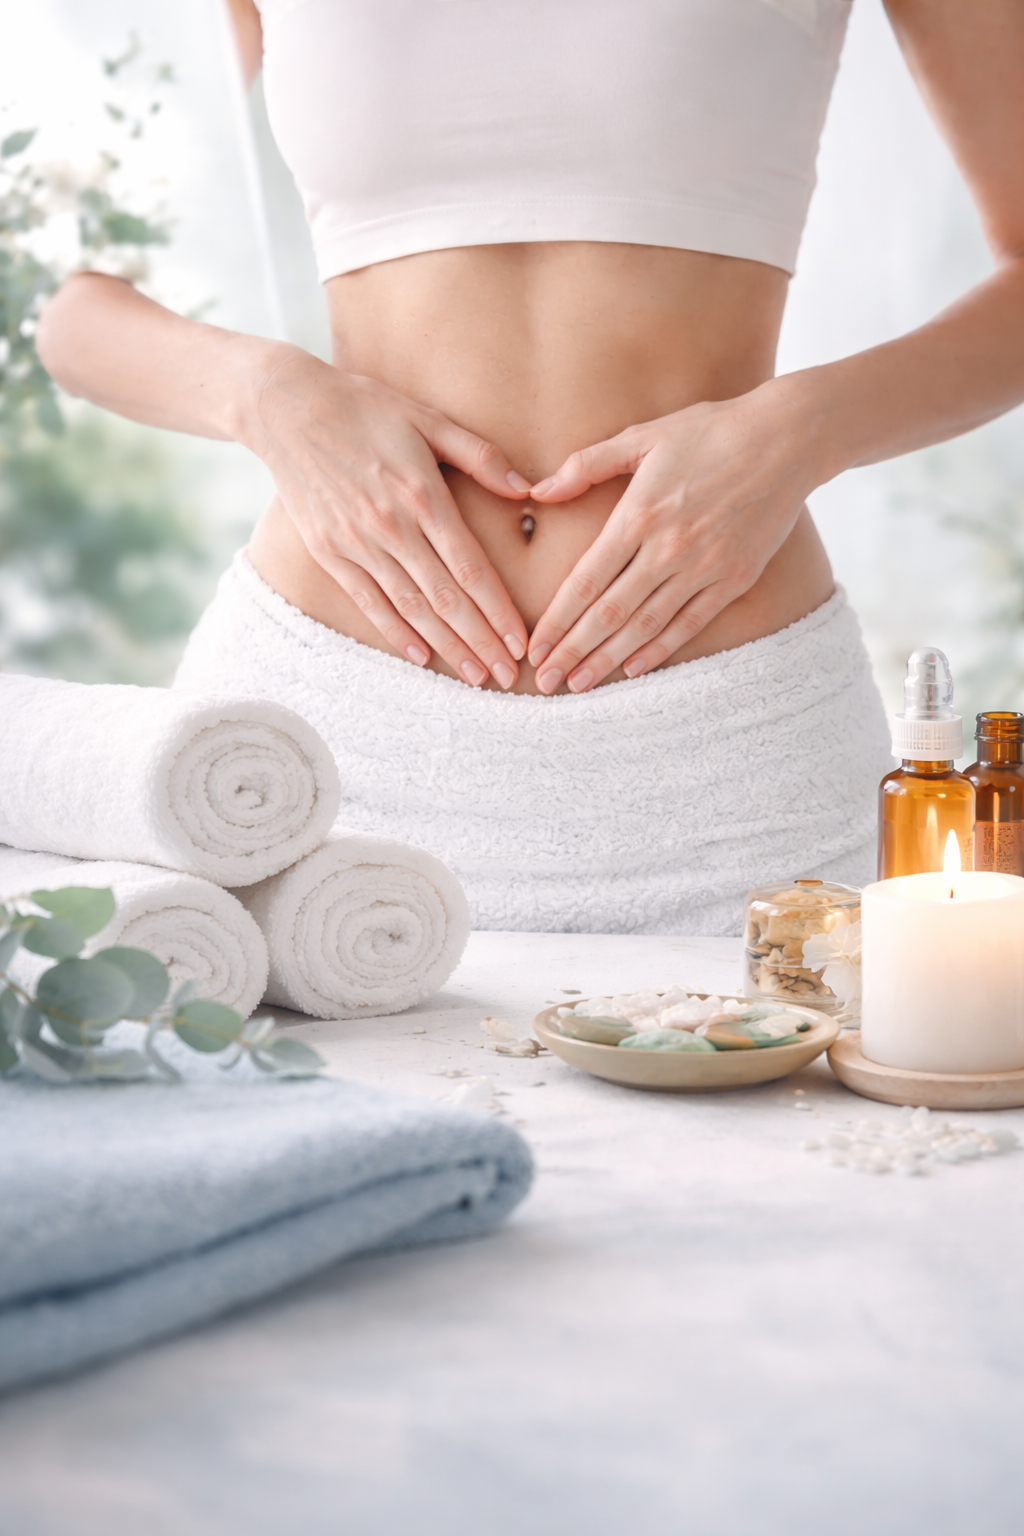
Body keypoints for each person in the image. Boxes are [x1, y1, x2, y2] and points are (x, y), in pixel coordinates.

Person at [36, 0, 1024, 935]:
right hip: (314, 744)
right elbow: (72, 302)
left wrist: (805, 428)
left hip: (729, 758)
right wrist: (269, 396)